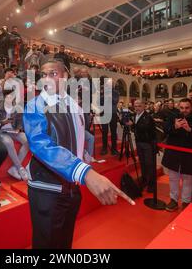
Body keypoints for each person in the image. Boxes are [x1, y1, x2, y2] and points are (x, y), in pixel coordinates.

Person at [23, 59, 133, 249]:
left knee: (65, 242)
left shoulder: (74, 105)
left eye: (53, 74)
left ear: (66, 77)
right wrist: (84, 172)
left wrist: (82, 160)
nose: (46, 79)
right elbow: (41, 144)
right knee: (46, 244)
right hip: (47, 189)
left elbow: (76, 139)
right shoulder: (34, 105)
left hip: (72, 189)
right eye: (43, 75)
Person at [161, 99, 192, 211]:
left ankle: (186, 202)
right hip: (174, 155)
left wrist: (190, 129)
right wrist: (175, 127)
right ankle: (173, 200)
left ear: (191, 107)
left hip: (190, 156)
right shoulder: (172, 117)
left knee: (188, 180)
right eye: (182, 108)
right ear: (179, 107)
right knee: (173, 179)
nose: (184, 110)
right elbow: (165, 130)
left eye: (187, 108)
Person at [128, 100, 157, 192]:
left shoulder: (148, 117)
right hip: (139, 142)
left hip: (147, 144)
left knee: (149, 164)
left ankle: (152, 184)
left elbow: (145, 127)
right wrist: (132, 126)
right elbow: (134, 129)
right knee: (142, 163)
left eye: (139, 106)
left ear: (144, 106)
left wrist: (133, 125)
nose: (137, 108)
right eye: (135, 106)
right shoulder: (135, 116)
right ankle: (144, 180)